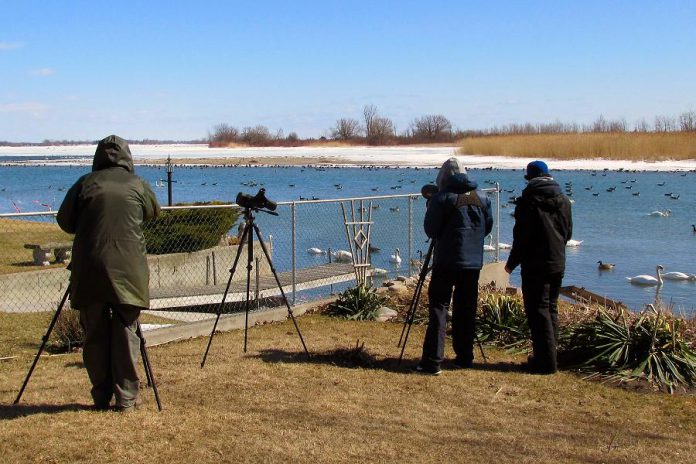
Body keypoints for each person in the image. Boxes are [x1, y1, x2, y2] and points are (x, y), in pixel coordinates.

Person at [57, 135, 160, 411]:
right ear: (128, 157)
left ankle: (101, 397)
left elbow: (64, 221)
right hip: (129, 271)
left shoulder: (84, 183)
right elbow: (153, 212)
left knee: (95, 333)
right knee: (127, 329)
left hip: (91, 269)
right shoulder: (138, 185)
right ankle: (127, 398)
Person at [414, 158, 493, 375]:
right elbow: (487, 227)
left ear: (443, 177)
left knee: (439, 308)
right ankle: (464, 357)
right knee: (466, 308)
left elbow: (431, 230)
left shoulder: (442, 197)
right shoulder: (482, 196)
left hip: (446, 261)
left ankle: (432, 361)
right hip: (473, 263)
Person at [504, 160, 572, 374]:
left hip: (535, 264)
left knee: (537, 311)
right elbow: (568, 233)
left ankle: (545, 363)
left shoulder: (528, 201)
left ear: (529, 178)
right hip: (557, 261)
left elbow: (522, 237)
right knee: (551, 307)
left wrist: (511, 264)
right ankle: (550, 358)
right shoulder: (564, 200)